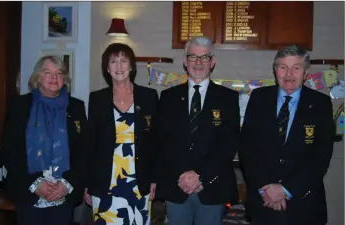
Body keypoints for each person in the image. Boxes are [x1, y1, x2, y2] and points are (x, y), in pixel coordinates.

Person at [238, 45, 334, 225]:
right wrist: (267, 190)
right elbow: (247, 148)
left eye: (296, 68)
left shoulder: (320, 104)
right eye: (283, 67)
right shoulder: (259, 98)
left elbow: (321, 156)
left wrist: (286, 189)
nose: (289, 74)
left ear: (306, 73)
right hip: (263, 203)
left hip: (304, 205)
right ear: (275, 71)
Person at [154, 36, 240, 225]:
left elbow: (228, 144)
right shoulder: (168, 97)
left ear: (213, 61)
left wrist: (201, 175)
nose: (199, 62)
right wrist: (184, 176)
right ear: (185, 61)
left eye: (205, 57)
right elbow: (162, 142)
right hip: (177, 185)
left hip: (212, 186)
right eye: (193, 57)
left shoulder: (228, 98)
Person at [0, 55, 87, 225]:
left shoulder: (76, 107)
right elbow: (9, 151)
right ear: (37, 77)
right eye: (47, 72)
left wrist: (66, 184)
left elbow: (84, 151)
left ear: (65, 79)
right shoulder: (20, 106)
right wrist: (35, 184)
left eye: (59, 73)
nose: (54, 77)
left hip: (63, 195)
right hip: (28, 193)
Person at [83, 43, 158, 225]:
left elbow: (156, 142)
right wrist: (86, 183)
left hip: (139, 180)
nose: (119, 67)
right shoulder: (97, 99)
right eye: (113, 61)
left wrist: (155, 179)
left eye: (124, 61)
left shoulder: (149, 96)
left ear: (131, 66)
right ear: (107, 68)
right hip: (104, 181)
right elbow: (89, 144)